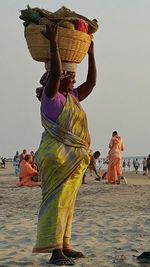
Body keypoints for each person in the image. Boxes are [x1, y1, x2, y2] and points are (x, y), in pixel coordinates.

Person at [32, 24, 97, 266]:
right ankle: (54, 251)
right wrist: (54, 44)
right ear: (57, 80)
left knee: (67, 205)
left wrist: (91, 54)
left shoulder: (72, 97)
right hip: (57, 160)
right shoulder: (52, 98)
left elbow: (91, 83)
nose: (73, 80)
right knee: (56, 204)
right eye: (69, 77)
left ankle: (65, 245)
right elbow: (57, 73)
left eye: (73, 77)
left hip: (71, 162)